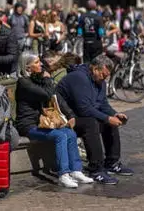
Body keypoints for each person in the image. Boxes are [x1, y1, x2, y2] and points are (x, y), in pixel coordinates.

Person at [16, 52, 94, 189]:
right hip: (28, 125)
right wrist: (47, 80)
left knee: (70, 133)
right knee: (60, 135)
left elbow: (56, 97)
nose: (40, 64)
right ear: (27, 67)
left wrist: (70, 115)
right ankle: (63, 174)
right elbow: (47, 94)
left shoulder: (36, 78)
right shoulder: (24, 82)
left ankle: (76, 170)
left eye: (39, 61)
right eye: (36, 62)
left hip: (43, 122)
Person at [56, 56, 133, 185]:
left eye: (107, 76)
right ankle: (96, 169)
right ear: (94, 68)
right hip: (66, 118)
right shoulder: (79, 78)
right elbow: (84, 109)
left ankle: (112, 163)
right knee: (91, 124)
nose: (104, 78)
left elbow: (102, 104)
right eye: (103, 74)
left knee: (108, 122)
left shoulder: (99, 81)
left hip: (79, 116)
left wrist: (115, 114)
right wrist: (107, 118)